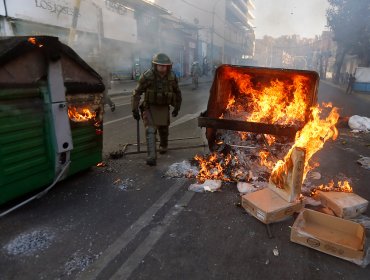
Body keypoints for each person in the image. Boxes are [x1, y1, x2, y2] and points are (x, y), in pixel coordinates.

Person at [131, 53, 182, 166]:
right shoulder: (147, 76)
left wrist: (177, 107)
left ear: (168, 66)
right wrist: (134, 109)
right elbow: (137, 92)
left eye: (164, 66)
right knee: (150, 130)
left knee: (163, 130)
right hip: (149, 107)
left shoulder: (172, 77)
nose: (162, 68)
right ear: (155, 65)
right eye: (159, 65)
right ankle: (152, 156)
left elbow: (177, 93)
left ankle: (163, 145)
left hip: (164, 107)